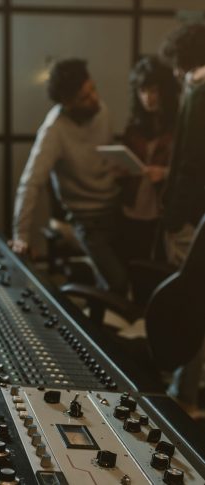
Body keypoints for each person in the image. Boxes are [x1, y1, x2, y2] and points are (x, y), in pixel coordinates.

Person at [11, 59, 128, 295]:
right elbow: (30, 183)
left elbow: (102, 155)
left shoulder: (101, 109)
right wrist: (21, 235)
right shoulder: (54, 130)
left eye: (93, 89)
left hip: (116, 208)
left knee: (141, 274)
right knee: (118, 283)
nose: (94, 98)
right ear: (67, 103)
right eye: (84, 98)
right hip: (86, 220)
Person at [159, 23, 205, 416]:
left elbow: (190, 166)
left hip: (191, 217)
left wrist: (173, 219)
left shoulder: (198, 93)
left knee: (190, 301)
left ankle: (184, 392)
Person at [120, 55, 179, 262]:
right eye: (142, 91)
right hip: (132, 207)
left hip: (162, 210)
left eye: (153, 90)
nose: (148, 98)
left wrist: (164, 173)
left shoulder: (179, 125)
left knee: (157, 266)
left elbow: (192, 172)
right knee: (134, 262)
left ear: (165, 91)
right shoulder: (134, 126)